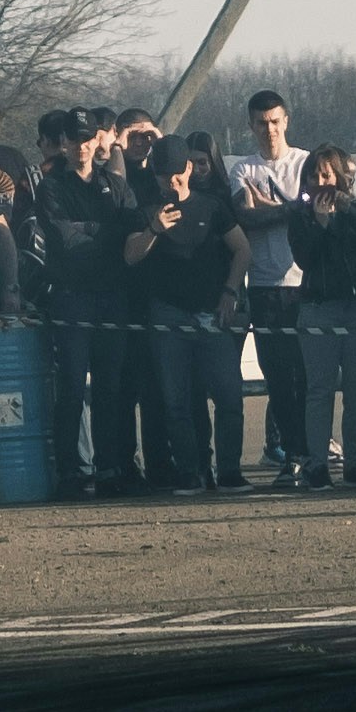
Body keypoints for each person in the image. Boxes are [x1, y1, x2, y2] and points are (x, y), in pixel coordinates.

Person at [122, 143, 240, 494]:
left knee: (229, 395)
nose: (171, 182)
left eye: (177, 173)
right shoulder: (144, 209)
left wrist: (230, 292)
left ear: (189, 168)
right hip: (168, 317)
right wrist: (153, 230)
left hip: (211, 314)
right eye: (163, 176)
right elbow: (130, 256)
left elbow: (242, 249)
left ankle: (230, 471)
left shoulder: (212, 206)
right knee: (176, 400)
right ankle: (190, 472)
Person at [225, 91, 312, 479]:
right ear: (251, 126)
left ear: (286, 121)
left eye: (275, 121)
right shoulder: (243, 169)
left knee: (307, 375)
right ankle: (291, 452)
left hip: (304, 283)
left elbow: (312, 214)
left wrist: (277, 209)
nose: (270, 130)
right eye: (261, 123)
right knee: (277, 378)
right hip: (264, 286)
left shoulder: (306, 163)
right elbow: (247, 217)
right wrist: (290, 209)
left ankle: (314, 451)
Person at [292, 147, 356, 487]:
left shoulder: (355, 209)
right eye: (315, 176)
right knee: (319, 390)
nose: (321, 182)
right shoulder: (301, 215)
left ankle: (354, 461)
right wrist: (319, 223)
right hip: (319, 307)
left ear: (340, 178)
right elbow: (303, 258)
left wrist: (349, 212)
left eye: (327, 175)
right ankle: (317, 464)